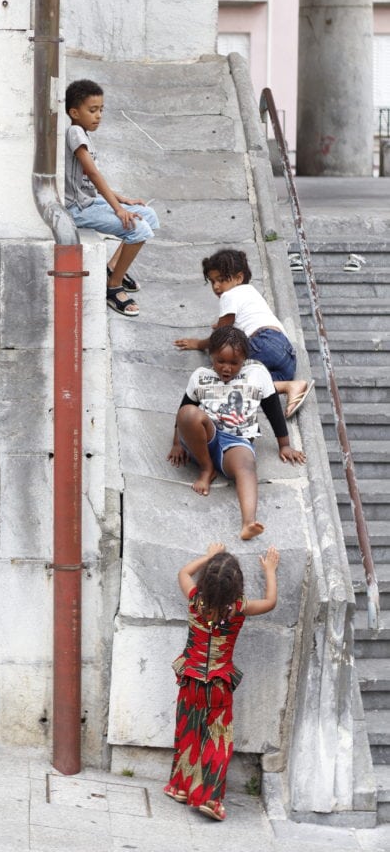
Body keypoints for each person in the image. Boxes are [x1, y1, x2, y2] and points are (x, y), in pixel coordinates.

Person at [164, 542, 280, 822]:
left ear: (206, 581)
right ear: (235, 586)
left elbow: (183, 572)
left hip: (190, 679)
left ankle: (181, 787)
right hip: (218, 685)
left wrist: (208, 556)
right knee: (217, 740)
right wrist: (270, 570)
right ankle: (210, 798)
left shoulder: (195, 600)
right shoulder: (239, 608)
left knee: (189, 731)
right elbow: (271, 601)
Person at [167, 325, 305, 540]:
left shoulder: (257, 373)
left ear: (245, 360)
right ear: (211, 355)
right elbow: (182, 411)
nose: (227, 368)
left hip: (237, 441)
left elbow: (273, 409)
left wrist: (284, 444)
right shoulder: (200, 376)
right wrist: (177, 443)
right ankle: (206, 469)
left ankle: (248, 522)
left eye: (234, 363)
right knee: (189, 414)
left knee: (247, 467)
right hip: (205, 436)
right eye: (220, 361)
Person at [173, 248, 314, 419]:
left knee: (225, 373)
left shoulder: (229, 295)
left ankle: (286, 388)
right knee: (247, 384)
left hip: (262, 344)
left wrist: (199, 344)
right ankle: (290, 385)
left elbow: (222, 336)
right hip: (286, 355)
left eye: (221, 280)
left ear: (239, 278)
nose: (216, 286)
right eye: (212, 282)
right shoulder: (250, 291)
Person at [65, 78, 159, 318]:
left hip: (88, 202)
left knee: (148, 214)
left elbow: (90, 180)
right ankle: (113, 286)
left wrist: (122, 199)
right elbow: (94, 173)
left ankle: (112, 268)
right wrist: (117, 209)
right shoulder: (75, 132)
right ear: (74, 112)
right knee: (137, 228)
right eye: (92, 110)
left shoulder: (83, 133)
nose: (98, 116)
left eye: (101, 110)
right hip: (77, 209)